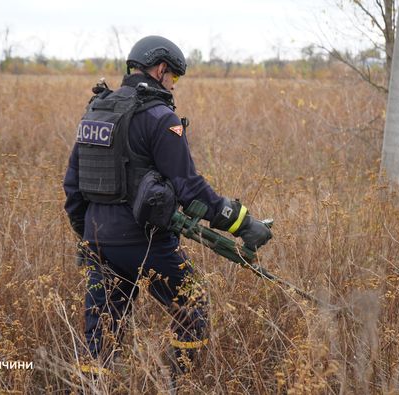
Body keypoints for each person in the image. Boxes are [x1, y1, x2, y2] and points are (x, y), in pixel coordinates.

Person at [63, 35, 272, 374]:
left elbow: (72, 187)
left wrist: (89, 235)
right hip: (145, 242)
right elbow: (190, 190)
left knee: (102, 328)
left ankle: (95, 384)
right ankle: (180, 380)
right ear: (160, 70)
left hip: (96, 239)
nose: (174, 85)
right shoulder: (160, 117)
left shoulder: (96, 111)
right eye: (174, 77)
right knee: (192, 302)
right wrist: (245, 224)